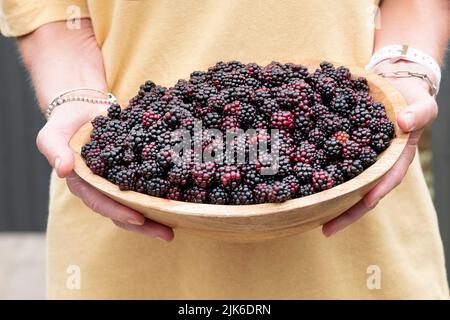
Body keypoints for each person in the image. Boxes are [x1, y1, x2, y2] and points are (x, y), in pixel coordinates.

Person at [1, 0, 448, 299]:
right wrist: (75, 94)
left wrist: (405, 66)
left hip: (362, 244)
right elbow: (52, 13)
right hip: (130, 242)